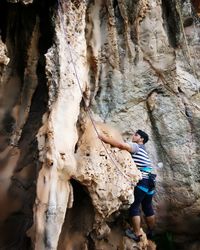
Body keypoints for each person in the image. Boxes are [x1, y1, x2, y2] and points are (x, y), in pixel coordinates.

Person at [98, 129, 156, 242]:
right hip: (151, 181)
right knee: (147, 207)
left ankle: (137, 234)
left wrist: (103, 138)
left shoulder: (136, 146)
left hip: (143, 181)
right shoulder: (144, 150)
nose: (133, 136)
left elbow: (121, 145)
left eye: (136, 135)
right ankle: (151, 231)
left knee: (134, 208)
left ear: (141, 139)